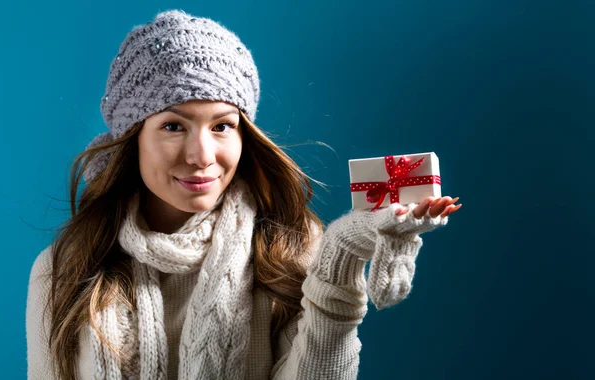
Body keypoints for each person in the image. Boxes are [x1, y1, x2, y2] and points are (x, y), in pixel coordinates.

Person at [25, 9, 461, 380]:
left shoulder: (286, 249)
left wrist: (340, 259)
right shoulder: (63, 268)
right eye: (173, 126)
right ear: (132, 138)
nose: (202, 156)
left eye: (222, 126)